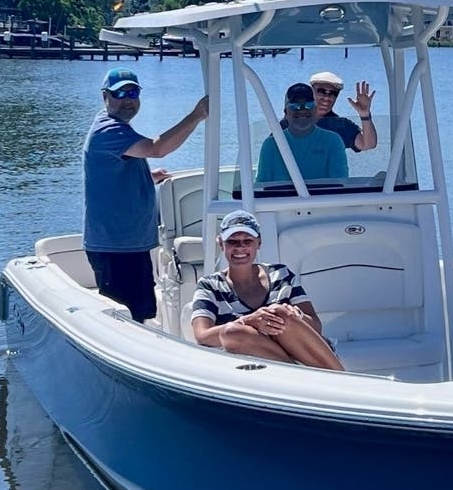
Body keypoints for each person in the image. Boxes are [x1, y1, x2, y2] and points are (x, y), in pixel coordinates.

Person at [83, 67, 209, 323]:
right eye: (120, 94)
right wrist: (196, 116)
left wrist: (148, 178)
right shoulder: (109, 130)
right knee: (123, 319)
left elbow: (110, 175)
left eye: (133, 92)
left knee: (140, 314)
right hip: (115, 247)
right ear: (105, 96)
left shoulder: (117, 128)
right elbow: (157, 148)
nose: (128, 100)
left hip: (130, 243)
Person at [191, 210, 344, 370]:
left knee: (279, 312)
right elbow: (202, 335)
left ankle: (340, 378)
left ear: (259, 243)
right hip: (256, 366)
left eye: (247, 241)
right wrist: (250, 321)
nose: (240, 247)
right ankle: (297, 373)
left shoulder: (281, 274)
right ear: (221, 244)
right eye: (232, 241)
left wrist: (293, 315)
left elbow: (316, 326)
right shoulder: (209, 285)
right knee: (232, 332)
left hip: (302, 356)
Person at [256, 83, 348, 184]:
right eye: (295, 106)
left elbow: (340, 185)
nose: (303, 110)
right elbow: (262, 186)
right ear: (286, 113)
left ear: (315, 110)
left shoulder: (333, 142)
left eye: (309, 105)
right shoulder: (271, 145)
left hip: (322, 200)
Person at [281, 71, 377, 152]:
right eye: (321, 91)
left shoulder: (339, 125)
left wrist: (364, 114)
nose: (326, 97)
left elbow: (367, 144)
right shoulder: (292, 121)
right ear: (311, 92)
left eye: (333, 93)